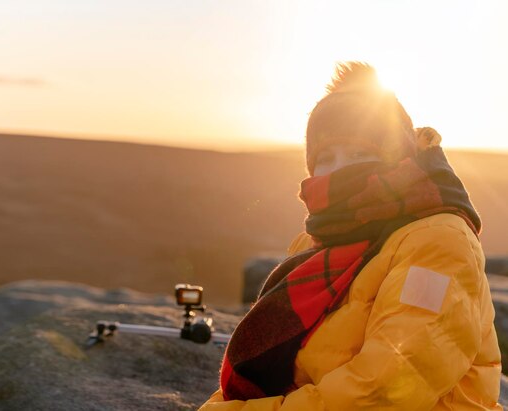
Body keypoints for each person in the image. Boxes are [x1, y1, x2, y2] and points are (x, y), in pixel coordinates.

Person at [199, 62, 502, 410]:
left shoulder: (438, 242)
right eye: (327, 158)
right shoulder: (316, 244)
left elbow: (388, 387)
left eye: (360, 154)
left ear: (398, 158)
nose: (341, 170)